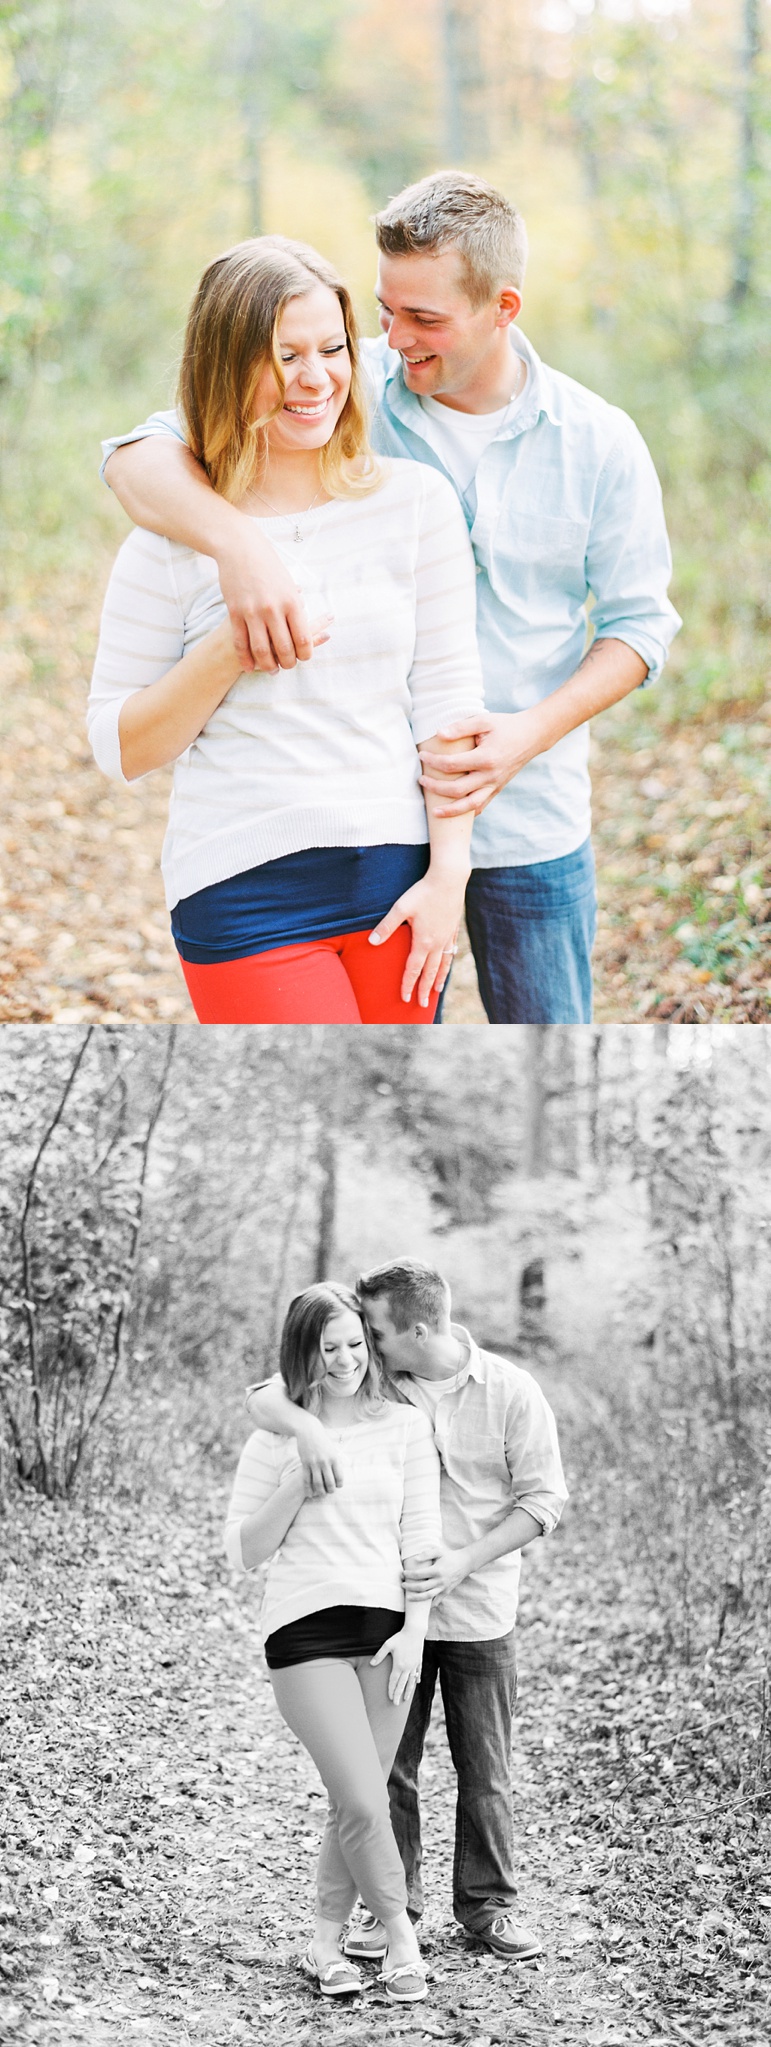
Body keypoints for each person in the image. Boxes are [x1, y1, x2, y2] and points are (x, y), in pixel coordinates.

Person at [101, 171, 681, 1024]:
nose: (392, 338)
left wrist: (522, 736)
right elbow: (140, 453)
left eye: (423, 320)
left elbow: (639, 625)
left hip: (529, 818)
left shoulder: (597, 441)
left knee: (548, 1079)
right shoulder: (343, 382)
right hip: (380, 828)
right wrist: (241, 548)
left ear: (502, 308)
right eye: (382, 311)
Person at [88, 235, 486, 1025]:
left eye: (333, 349)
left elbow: (447, 702)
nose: (316, 378)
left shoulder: (415, 504)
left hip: (397, 882)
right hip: (243, 889)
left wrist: (448, 879)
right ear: (226, 365)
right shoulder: (172, 542)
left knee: (393, 1141)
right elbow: (120, 746)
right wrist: (229, 649)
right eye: (285, 355)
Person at [246, 1259, 568, 1959]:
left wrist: (462, 1560)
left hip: (479, 1607)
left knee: (485, 1769)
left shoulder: (512, 1391)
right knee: (387, 1773)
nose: (366, 1344)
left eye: (376, 1332)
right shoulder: (385, 1383)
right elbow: (270, 1392)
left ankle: (489, 1904)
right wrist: (305, 1431)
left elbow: (544, 1501)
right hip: (391, 1618)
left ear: (417, 1329)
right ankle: (396, 1906)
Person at [224, 1281, 443, 2002]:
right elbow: (244, 1552)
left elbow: (420, 1539)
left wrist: (415, 1631)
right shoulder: (276, 1433)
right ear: (303, 1351)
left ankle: (324, 1943)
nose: (346, 1359)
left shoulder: (405, 1426)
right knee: (359, 1793)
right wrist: (294, 1478)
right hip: (303, 1632)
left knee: (359, 1799)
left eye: (355, 1343)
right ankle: (400, 1939)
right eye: (328, 1347)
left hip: (386, 1637)